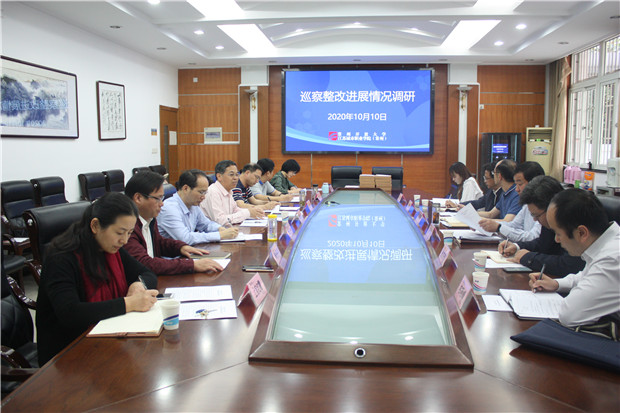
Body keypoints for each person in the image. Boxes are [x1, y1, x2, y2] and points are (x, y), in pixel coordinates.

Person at [36, 192, 159, 365]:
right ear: (95, 226)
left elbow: (148, 274)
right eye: (120, 232)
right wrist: (129, 303)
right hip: (67, 354)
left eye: (130, 233)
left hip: (108, 338)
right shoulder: (62, 258)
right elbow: (70, 313)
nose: (124, 240)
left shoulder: (110, 247)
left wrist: (138, 285)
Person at [529, 189, 619, 327]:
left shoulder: (612, 258)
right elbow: (587, 276)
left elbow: (570, 315)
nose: (556, 240)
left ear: (581, 233)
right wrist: (557, 284)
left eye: (558, 233)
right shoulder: (604, 244)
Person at [124, 171, 223, 275]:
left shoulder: (150, 219)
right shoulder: (127, 227)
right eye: (158, 198)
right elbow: (145, 263)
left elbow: (159, 243)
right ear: (138, 198)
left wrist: (180, 248)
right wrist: (192, 265)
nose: (162, 204)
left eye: (162, 198)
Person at [499, 176, 585, 277]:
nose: (535, 220)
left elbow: (569, 265)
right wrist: (517, 246)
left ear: (551, 208)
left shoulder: (573, 221)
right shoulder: (549, 220)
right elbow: (543, 244)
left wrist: (529, 258)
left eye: (537, 215)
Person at [157, 169, 238, 245]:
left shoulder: (193, 204)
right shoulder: (169, 209)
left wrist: (220, 229)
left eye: (205, 193)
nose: (203, 197)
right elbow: (185, 238)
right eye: (201, 192)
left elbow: (206, 225)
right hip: (172, 254)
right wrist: (220, 235)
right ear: (186, 188)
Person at [479, 161, 544, 241]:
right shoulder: (526, 205)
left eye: (520, 184)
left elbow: (533, 237)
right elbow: (513, 225)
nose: (517, 189)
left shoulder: (544, 206)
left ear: (534, 183)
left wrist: (498, 227)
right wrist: (485, 224)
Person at [201, 160, 264, 225]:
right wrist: (247, 213)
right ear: (219, 176)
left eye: (237, 174)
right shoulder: (213, 192)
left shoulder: (229, 191)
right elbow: (219, 220)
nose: (235, 178)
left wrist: (252, 212)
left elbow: (235, 210)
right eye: (231, 174)